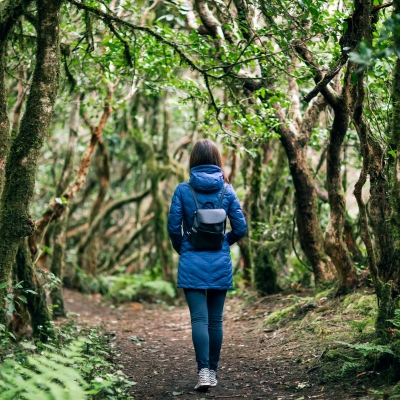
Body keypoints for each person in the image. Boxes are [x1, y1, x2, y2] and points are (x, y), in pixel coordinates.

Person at [167, 139, 247, 391]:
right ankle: (212, 371)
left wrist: (185, 248)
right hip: (219, 259)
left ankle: (202, 372)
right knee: (216, 321)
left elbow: (173, 227)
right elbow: (240, 228)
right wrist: (224, 242)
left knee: (199, 320)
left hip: (192, 259)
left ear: (193, 161)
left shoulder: (182, 190)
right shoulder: (227, 190)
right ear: (217, 160)